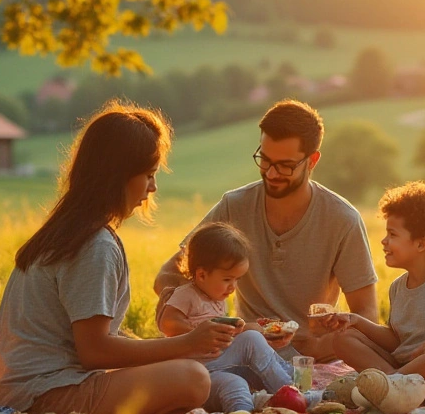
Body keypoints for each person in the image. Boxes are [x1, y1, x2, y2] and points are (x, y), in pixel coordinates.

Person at [0, 101, 231, 414]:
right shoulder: (94, 245)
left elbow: (94, 340)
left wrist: (171, 346)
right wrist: (185, 344)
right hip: (47, 394)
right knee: (195, 379)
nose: (153, 188)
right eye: (148, 175)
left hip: (20, 389)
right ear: (117, 175)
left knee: (190, 411)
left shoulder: (70, 230)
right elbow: (95, 352)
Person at [153, 99, 379, 361]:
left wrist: (320, 346)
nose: (271, 173)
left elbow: (366, 314)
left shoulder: (342, 219)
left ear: (312, 161)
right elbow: (169, 274)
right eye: (265, 160)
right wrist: (195, 322)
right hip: (243, 351)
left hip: (315, 358)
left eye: (285, 165)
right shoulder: (234, 207)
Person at [323, 182, 425, 406]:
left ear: (422, 243)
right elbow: (398, 341)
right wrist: (356, 321)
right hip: (411, 367)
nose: (384, 241)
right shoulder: (398, 287)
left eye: (392, 234)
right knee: (344, 339)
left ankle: (390, 385)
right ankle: (400, 388)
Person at [156, 222, 306, 413]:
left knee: (239, 381)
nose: (233, 287)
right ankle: (295, 393)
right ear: (201, 275)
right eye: (227, 279)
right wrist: (198, 331)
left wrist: (242, 330)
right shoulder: (186, 294)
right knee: (250, 341)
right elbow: (167, 323)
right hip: (194, 368)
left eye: (237, 279)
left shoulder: (217, 298)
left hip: (218, 369)